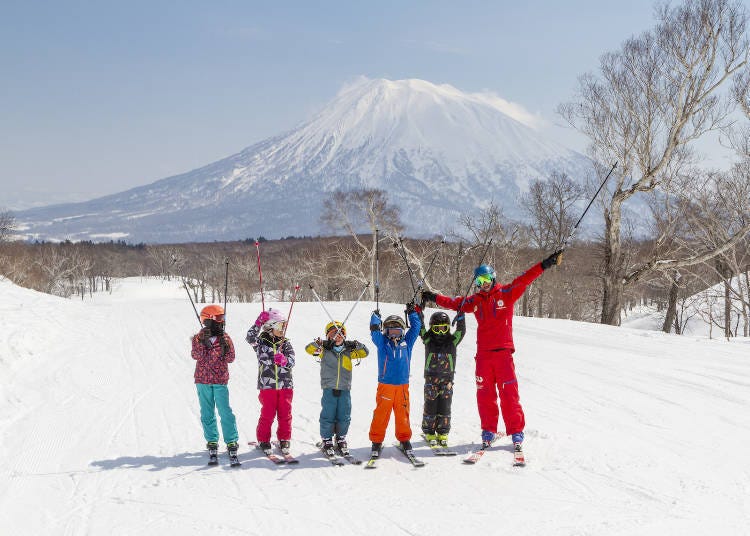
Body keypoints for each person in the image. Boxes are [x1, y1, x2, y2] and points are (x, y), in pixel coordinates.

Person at [422, 250, 563, 455]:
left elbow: (525, 279)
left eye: (487, 279)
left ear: (493, 277)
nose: (484, 283)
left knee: (509, 394)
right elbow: (455, 303)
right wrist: (433, 297)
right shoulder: (475, 301)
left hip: (503, 354)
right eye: (479, 280)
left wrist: (545, 264)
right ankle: (488, 430)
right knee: (485, 395)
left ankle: (516, 431)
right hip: (483, 357)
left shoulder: (506, 293)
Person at [305, 321, 369, 457]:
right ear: (328, 336)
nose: (337, 336)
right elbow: (309, 349)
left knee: (344, 415)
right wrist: (320, 343)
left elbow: (365, 352)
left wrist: (357, 345)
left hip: (345, 388)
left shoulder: (349, 352)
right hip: (329, 388)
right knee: (328, 415)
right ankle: (327, 439)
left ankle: (340, 438)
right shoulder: (324, 351)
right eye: (333, 334)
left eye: (340, 334)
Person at [368, 302, 422, 458]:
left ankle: (404, 439)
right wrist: (375, 318)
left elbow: (416, 328)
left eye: (397, 331)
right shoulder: (382, 343)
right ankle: (376, 441)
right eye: (391, 331)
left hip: (403, 387)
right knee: (381, 414)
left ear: (402, 331)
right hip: (386, 386)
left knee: (402, 414)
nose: (394, 335)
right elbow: (374, 332)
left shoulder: (407, 343)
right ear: (385, 331)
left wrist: (412, 313)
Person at [191, 304, 239, 464]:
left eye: (223, 318)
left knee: (225, 411)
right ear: (209, 320)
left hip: (220, 380)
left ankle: (231, 440)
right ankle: (212, 440)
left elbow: (231, 358)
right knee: (207, 412)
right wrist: (201, 342)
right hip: (203, 381)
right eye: (219, 318)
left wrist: (226, 347)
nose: (222, 322)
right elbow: (195, 355)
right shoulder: (199, 337)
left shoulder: (225, 337)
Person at [246, 307, 296, 453]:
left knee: (285, 413)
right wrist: (258, 323)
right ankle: (263, 440)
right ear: (271, 327)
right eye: (281, 326)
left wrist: (284, 360)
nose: (283, 329)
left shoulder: (285, 343)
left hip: (286, 385)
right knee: (267, 413)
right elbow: (250, 337)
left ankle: (284, 439)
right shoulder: (260, 343)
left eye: (284, 326)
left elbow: (292, 361)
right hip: (267, 386)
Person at [418, 309, 466, 448]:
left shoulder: (452, 341)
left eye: (443, 329)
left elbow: (461, 331)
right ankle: (429, 432)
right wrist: (418, 314)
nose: (440, 332)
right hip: (431, 381)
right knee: (430, 406)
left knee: (445, 407)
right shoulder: (428, 339)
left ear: (448, 328)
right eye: (436, 329)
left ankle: (443, 433)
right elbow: (420, 328)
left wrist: (461, 316)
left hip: (447, 382)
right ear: (432, 328)